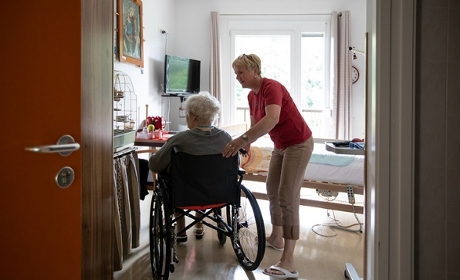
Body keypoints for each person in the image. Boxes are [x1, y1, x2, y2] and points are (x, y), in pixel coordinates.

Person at [222, 54, 314, 278]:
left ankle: (289, 261)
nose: (237, 77)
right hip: (281, 146)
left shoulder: (272, 87)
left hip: (299, 143)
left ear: (255, 70)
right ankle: (277, 237)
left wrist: (242, 139)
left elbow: (272, 119)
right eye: (235, 73)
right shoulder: (252, 96)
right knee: (272, 189)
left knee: (287, 196)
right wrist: (247, 145)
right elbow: (256, 125)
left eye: (240, 72)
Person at [149, 91, 232, 242]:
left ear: (193, 116)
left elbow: (155, 165)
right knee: (205, 178)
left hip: (184, 195)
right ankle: (199, 226)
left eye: (187, 114)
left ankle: (181, 231)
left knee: (175, 179)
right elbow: (235, 165)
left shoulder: (179, 140)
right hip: (218, 193)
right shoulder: (226, 138)